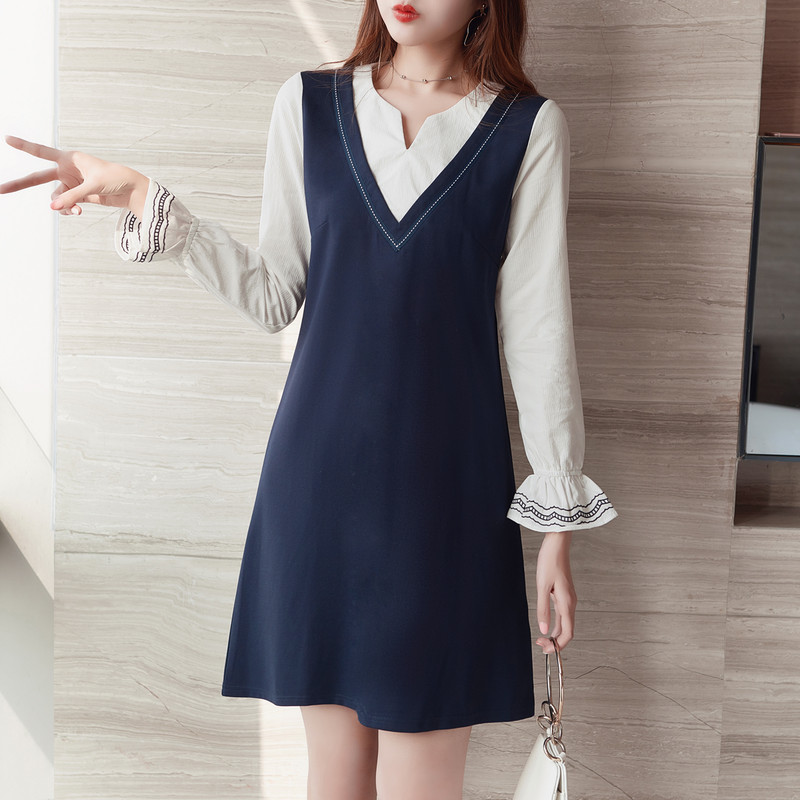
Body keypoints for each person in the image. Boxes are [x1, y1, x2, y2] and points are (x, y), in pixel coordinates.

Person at [2, 0, 619, 797]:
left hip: (446, 501)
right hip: (318, 488)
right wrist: (148, 200)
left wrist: (557, 529)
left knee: (422, 783)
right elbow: (274, 296)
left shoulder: (526, 131)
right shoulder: (309, 105)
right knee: (332, 778)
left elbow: (539, 329)